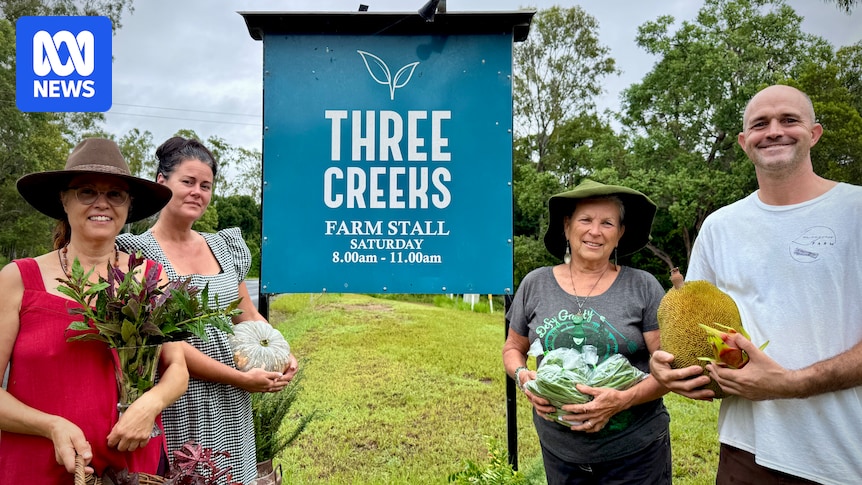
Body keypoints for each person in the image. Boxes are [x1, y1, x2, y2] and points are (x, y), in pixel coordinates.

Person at [649, 85, 862, 484]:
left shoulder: (855, 210)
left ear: (814, 133)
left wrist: (791, 384)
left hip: (845, 455)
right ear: (745, 142)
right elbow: (697, 331)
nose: (774, 131)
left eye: (789, 120)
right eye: (760, 124)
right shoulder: (720, 226)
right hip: (747, 451)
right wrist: (668, 370)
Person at [0, 138, 188, 483]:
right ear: (64, 199)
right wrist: (50, 425)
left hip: (133, 469)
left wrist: (151, 404)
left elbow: (177, 367)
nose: (102, 203)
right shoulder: (18, 280)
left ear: (129, 205)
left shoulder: (150, 278)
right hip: (37, 466)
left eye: (115, 194)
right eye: (86, 191)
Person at [116, 136, 299, 483]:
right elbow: (163, 344)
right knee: (188, 474)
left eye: (205, 186)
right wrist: (240, 378)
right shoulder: (136, 253)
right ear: (161, 181)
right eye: (187, 182)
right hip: (179, 398)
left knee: (232, 473)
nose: (196, 192)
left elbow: (247, 315)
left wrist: (280, 350)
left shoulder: (222, 246)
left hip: (233, 401)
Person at [503, 179, 672, 484]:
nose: (595, 231)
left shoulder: (643, 286)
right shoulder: (536, 284)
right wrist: (523, 377)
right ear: (567, 226)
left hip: (635, 453)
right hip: (560, 453)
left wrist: (624, 399)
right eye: (585, 220)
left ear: (620, 233)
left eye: (607, 223)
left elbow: (669, 368)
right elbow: (513, 348)